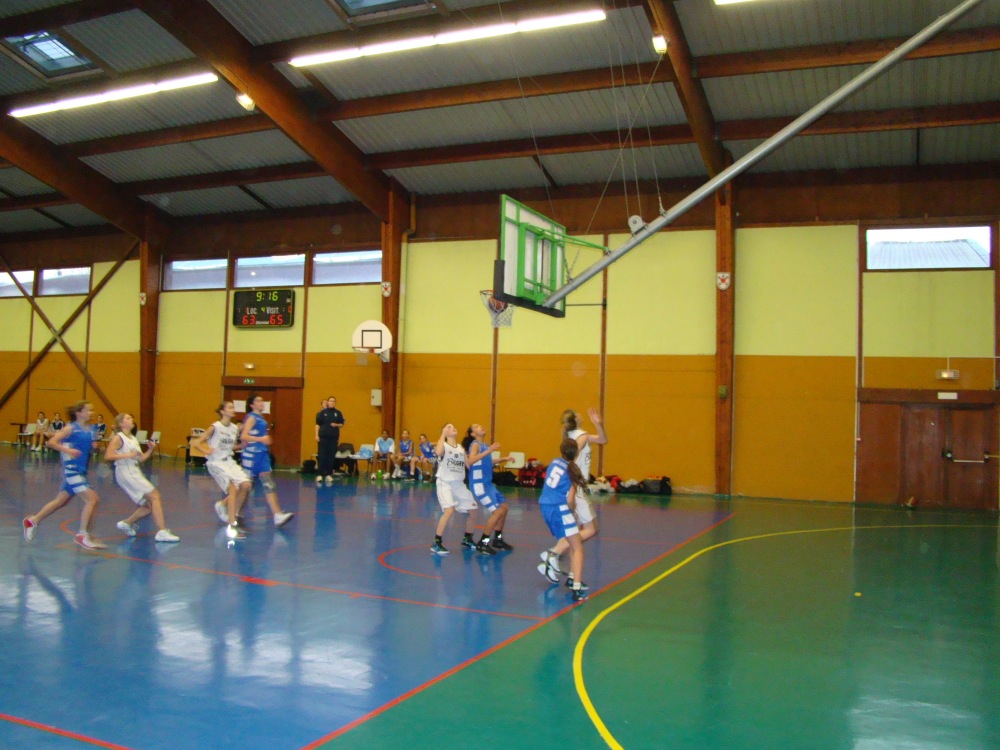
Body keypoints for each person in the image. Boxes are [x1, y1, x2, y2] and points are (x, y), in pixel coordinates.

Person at [22, 400, 107, 550]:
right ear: (78, 413)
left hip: (81, 470)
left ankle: (32, 521)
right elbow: (52, 442)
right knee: (92, 499)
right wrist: (68, 451)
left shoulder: (91, 429)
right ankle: (82, 535)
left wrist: (95, 449)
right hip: (71, 469)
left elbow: (91, 450)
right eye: (88, 410)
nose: (91, 413)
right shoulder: (70, 428)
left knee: (60, 501)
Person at [542, 408, 607, 590]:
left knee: (579, 532)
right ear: (576, 419)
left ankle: (572, 576)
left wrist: (598, 424)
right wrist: (574, 481)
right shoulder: (581, 437)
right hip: (575, 487)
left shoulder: (576, 434)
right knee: (590, 529)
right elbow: (570, 457)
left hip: (575, 487)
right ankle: (554, 552)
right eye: (579, 413)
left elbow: (603, 440)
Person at [105, 413, 179, 542]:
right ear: (121, 424)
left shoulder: (133, 438)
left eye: (131, 418)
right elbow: (108, 456)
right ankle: (162, 531)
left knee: (148, 506)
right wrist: (128, 455)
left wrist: (150, 450)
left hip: (134, 470)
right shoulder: (119, 437)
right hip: (125, 471)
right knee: (155, 496)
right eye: (127, 418)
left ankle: (126, 523)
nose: (131, 419)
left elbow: (140, 458)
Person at [430, 423, 496, 555]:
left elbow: (469, 464)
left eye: (453, 426)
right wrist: (443, 434)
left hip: (459, 484)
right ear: (444, 432)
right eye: (448, 427)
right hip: (445, 483)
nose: (452, 427)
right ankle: (436, 542)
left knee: (473, 510)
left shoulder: (460, 448)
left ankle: (467, 538)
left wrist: (495, 460)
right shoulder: (444, 445)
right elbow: (438, 452)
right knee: (449, 510)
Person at [537, 438, 589, 600]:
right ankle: (577, 587)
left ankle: (553, 559)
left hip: (545, 506)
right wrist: (573, 513)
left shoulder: (554, 462)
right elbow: (569, 500)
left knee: (568, 540)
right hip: (560, 508)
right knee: (577, 547)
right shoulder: (572, 471)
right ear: (577, 453)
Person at [190, 401, 251, 541]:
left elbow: (229, 448)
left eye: (233, 407)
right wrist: (207, 451)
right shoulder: (215, 427)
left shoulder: (234, 428)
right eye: (230, 407)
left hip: (229, 461)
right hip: (216, 463)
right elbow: (195, 442)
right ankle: (232, 526)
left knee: (246, 485)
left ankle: (225, 507)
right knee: (233, 489)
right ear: (222, 411)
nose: (233, 409)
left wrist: (241, 445)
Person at [240, 394, 294, 529]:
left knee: (269, 483)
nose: (261, 402)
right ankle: (226, 506)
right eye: (258, 400)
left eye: (262, 400)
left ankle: (277, 515)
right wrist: (261, 439)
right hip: (252, 456)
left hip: (262, 454)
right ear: (252, 405)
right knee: (245, 487)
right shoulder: (251, 417)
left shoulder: (261, 418)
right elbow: (244, 435)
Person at [464, 424, 515, 553]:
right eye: (476, 427)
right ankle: (483, 542)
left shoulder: (485, 446)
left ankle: (497, 539)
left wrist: (504, 458)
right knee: (497, 512)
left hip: (488, 484)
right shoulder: (475, 445)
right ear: (473, 434)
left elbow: (486, 461)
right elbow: (470, 461)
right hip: (479, 485)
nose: (480, 427)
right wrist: (489, 450)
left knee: (504, 508)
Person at [315, 396, 346, 486]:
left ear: (335, 403)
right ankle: (320, 474)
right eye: (330, 401)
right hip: (323, 437)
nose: (332, 402)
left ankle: (329, 474)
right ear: (327, 402)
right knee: (322, 455)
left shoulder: (338, 413)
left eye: (333, 401)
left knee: (331, 456)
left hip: (333, 437)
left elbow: (342, 424)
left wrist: (336, 425)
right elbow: (317, 424)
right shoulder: (322, 413)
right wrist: (316, 435)